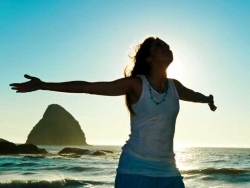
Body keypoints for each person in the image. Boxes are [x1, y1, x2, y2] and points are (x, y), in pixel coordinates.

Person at [10, 36, 217, 188]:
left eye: (167, 46)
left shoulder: (175, 86)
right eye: (159, 46)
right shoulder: (136, 85)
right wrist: (44, 85)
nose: (167, 48)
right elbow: (88, 87)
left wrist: (207, 99)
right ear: (149, 58)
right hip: (135, 168)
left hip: (169, 170)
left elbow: (193, 95)